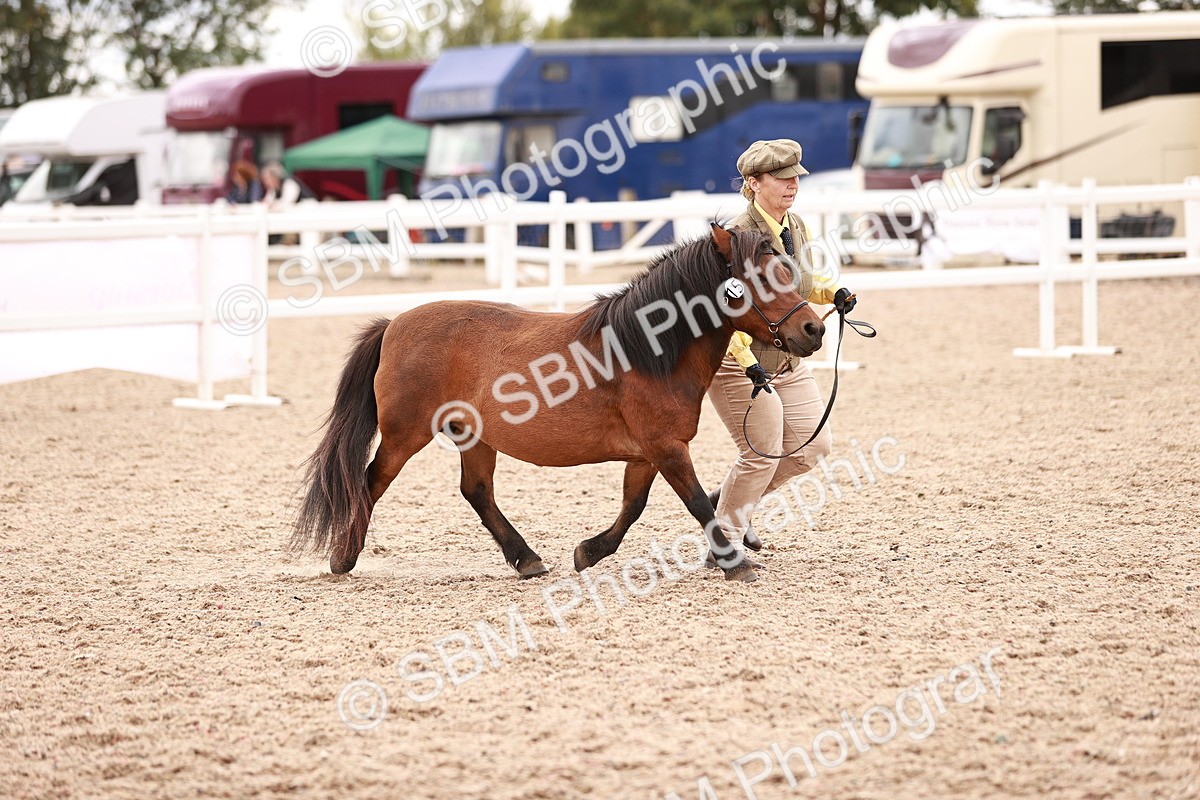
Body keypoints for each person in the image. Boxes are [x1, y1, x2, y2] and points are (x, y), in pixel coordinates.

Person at [706, 139, 859, 565]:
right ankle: (725, 543)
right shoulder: (738, 240)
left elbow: (803, 285)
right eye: (782, 178)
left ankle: (732, 501)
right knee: (761, 452)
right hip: (739, 365)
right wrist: (751, 367)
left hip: (788, 360)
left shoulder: (795, 227)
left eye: (796, 177)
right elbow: (728, 312)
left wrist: (836, 292)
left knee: (812, 449)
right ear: (753, 184)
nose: (793, 184)